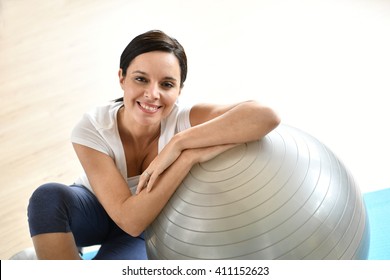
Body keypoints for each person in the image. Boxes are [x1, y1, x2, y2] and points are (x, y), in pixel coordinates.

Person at [27, 30, 280, 260]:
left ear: (179, 90)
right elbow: (127, 217)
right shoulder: (93, 126)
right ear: (121, 78)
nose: (153, 94)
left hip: (148, 228)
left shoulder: (184, 120)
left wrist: (181, 144)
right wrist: (186, 158)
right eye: (140, 79)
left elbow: (265, 115)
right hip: (95, 211)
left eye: (167, 84)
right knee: (47, 197)